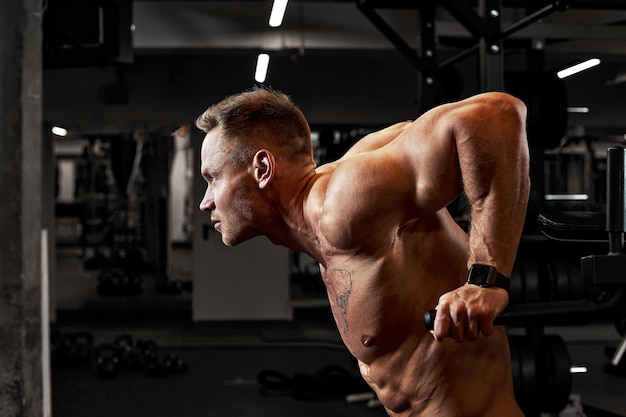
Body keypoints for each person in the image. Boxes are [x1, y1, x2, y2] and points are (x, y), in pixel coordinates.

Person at [195, 87, 530, 417]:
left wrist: (485, 281)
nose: (205, 201)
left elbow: (494, 114)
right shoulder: (331, 218)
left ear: (263, 169)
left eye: (213, 178)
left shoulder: (344, 202)